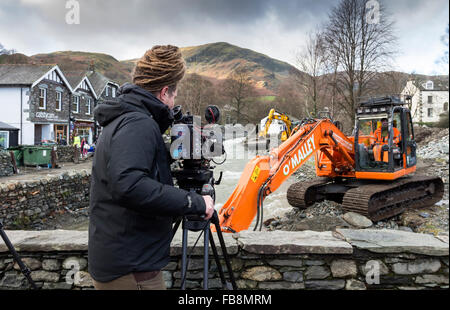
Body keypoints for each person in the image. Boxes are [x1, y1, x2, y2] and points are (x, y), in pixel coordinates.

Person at [88, 45, 214, 290]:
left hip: (121, 259)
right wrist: (195, 202)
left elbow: (129, 176)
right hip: (132, 270)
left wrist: (163, 156)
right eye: (174, 96)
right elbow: (129, 185)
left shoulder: (123, 117)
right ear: (165, 91)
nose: (174, 102)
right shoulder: (138, 123)